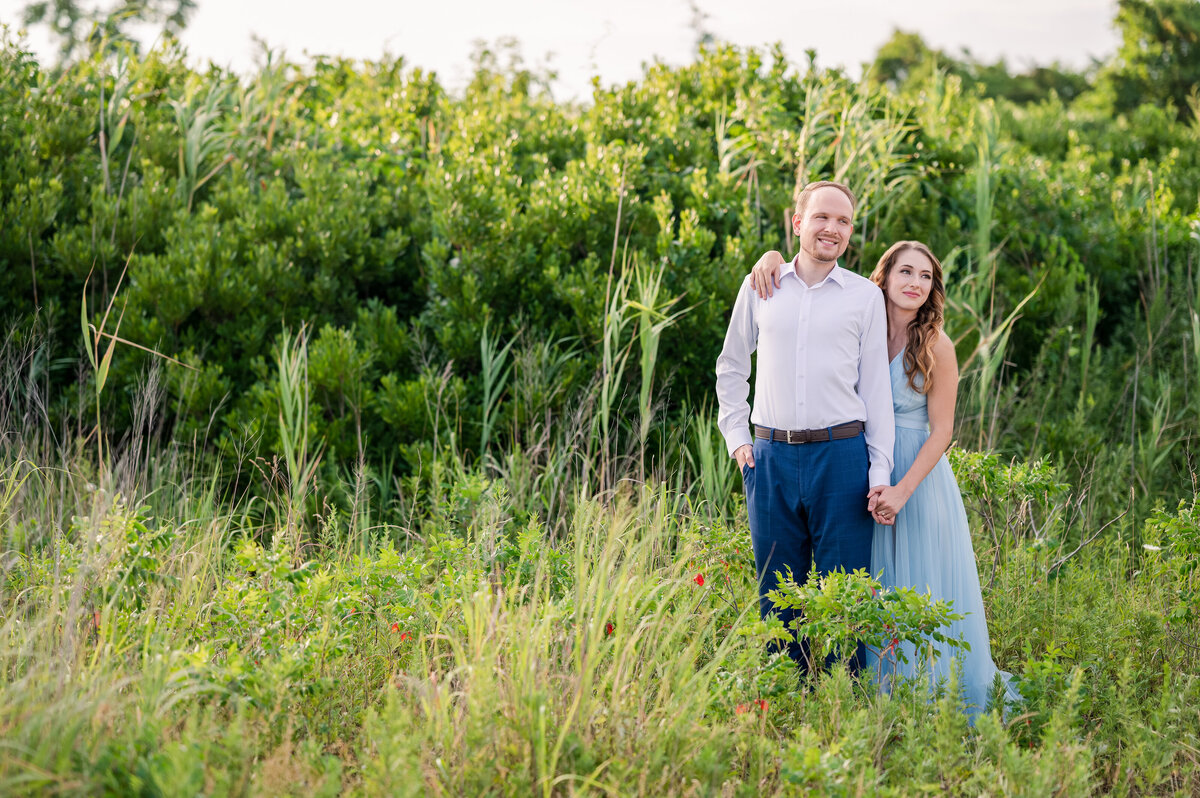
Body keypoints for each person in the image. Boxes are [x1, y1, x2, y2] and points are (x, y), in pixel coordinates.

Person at [750, 240, 1019, 716]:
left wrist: (901, 490)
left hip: (914, 478)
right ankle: (867, 695)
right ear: (885, 276)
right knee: (866, 580)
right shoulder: (858, 318)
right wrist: (772, 258)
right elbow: (811, 276)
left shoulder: (937, 345)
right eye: (906, 272)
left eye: (926, 277)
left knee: (915, 582)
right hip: (858, 469)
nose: (916, 284)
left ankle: (930, 697)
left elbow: (942, 432)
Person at [715, 180, 895, 673]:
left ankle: (845, 705)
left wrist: (879, 474)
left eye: (842, 221)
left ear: (851, 232)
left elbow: (876, 391)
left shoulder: (864, 297)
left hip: (841, 460)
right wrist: (737, 439)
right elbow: (731, 366)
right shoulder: (762, 285)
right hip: (770, 459)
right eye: (821, 217)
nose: (831, 229)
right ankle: (785, 709)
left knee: (844, 600)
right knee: (778, 599)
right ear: (798, 223)